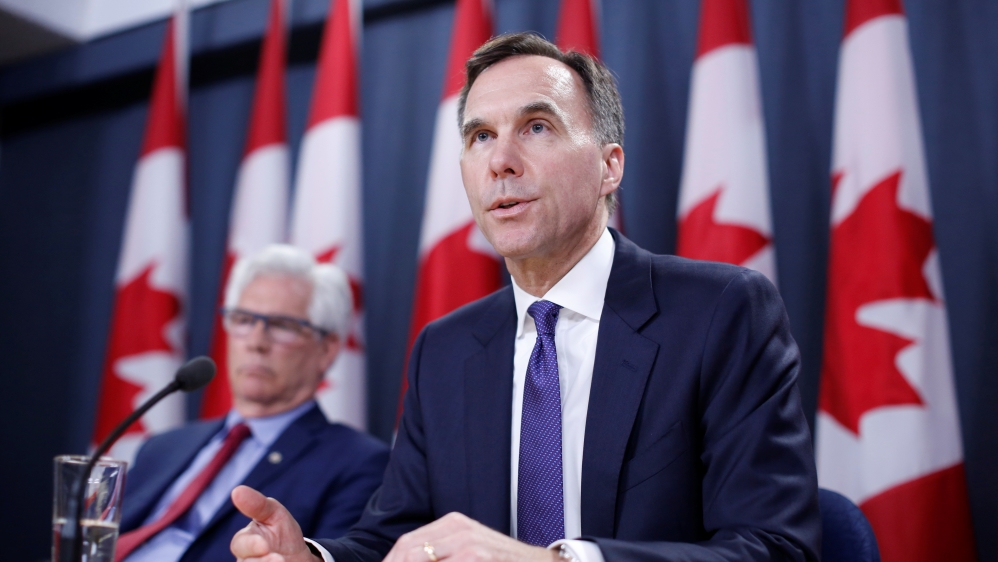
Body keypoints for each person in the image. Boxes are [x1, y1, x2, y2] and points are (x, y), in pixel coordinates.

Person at [229, 32, 820, 562]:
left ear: (609, 165)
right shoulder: (446, 348)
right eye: (480, 136)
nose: (501, 162)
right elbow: (400, 537)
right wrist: (314, 559)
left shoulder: (721, 313)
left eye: (536, 127)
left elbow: (774, 547)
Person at [116, 244, 389, 562]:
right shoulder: (163, 447)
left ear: (326, 350)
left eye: (283, 326)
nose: (257, 342)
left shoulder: (359, 463)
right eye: (244, 319)